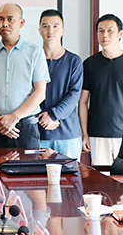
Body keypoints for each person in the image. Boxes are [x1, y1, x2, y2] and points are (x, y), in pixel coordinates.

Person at [78, 14, 123, 166]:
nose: (105, 34)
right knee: (100, 177)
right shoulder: (89, 64)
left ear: (120, 34)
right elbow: (83, 101)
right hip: (97, 134)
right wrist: (84, 133)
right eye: (101, 30)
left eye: (110, 30)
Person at [0, 3, 49, 148]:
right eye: (1, 19)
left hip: (25, 128)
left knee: (28, 163)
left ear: (21, 23)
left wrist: (14, 118)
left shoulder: (35, 52)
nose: (5, 24)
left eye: (10, 19)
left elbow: (40, 93)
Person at [36, 10, 83, 159]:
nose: (50, 30)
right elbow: (26, 93)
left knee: (70, 173)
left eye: (55, 26)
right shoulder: (32, 59)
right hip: (38, 133)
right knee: (37, 174)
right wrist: (42, 117)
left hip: (68, 135)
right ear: (39, 30)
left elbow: (74, 94)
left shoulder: (74, 61)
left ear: (62, 30)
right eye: (45, 26)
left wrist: (53, 115)